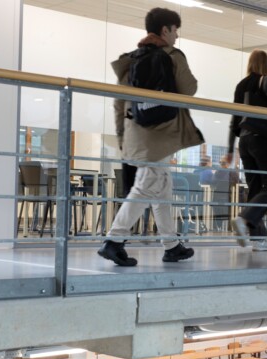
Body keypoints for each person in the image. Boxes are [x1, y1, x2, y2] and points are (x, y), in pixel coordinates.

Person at [98, 7, 203, 266]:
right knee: (147, 184)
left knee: (161, 188)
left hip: (136, 134)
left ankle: (171, 245)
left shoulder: (132, 60)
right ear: (165, 30)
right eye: (175, 30)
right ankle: (114, 241)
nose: (177, 36)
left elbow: (119, 103)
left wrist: (122, 137)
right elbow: (189, 88)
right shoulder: (171, 54)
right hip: (160, 134)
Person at [226, 50, 267, 252]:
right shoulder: (265, 81)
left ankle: (259, 240)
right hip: (262, 139)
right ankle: (244, 219)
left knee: (255, 189)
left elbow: (234, 118)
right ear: (265, 64)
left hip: (244, 141)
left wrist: (230, 149)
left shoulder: (240, 85)